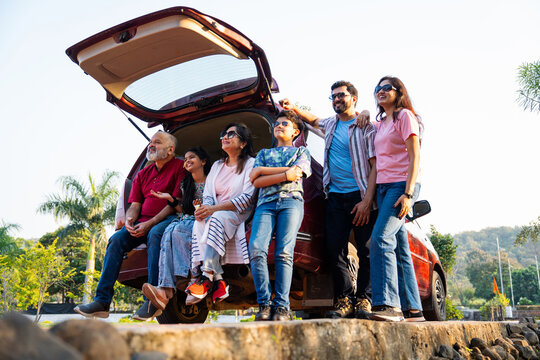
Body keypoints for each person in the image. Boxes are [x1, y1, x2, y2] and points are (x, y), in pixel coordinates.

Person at [281, 80, 377, 319]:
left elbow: (376, 167)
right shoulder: (331, 125)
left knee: (366, 251)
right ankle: (345, 299)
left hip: (360, 197)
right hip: (334, 196)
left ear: (353, 98)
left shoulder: (366, 126)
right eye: (333, 96)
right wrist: (293, 107)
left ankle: (365, 300)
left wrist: (366, 201)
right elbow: (313, 121)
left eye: (341, 95)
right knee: (335, 250)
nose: (336, 99)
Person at [74, 131, 185, 320]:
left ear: (170, 150)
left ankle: (151, 301)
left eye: (157, 143)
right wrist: (130, 220)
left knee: (155, 233)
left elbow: (174, 204)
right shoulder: (143, 173)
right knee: (116, 240)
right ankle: (102, 302)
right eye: (151, 142)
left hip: (169, 219)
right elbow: (135, 205)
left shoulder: (180, 166)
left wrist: (149, 223)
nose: (151, 145)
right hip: (143, 221)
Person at [368, 76, 425, 322]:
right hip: (382, 188)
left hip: (401, 186)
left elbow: (415, 156)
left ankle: (389, 305)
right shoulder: (380, 124)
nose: (380, 92)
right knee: (400, 247)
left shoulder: (404, 117)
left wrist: (409, 193)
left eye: (386, 88)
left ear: (398, 91)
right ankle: (414, 309)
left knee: (380, 239)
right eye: (377, 89)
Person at [248, 110, 311, 321]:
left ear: (295, 132)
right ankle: (264, 304)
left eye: (284, 123)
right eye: (277, 123)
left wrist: (264, 172)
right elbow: (254, 181)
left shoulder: (302, 152)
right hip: (264, 204)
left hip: (291, 203)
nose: (279, 125)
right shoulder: (264, 153)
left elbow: (298, 173)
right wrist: (285, 174)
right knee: (256, 249)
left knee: (284, 253)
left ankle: (283, 307)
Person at [185, 123, 256, 303]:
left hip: (238, 212)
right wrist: (203, 210)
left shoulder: (251, 164)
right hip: (216, 211)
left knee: (215, 218)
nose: (225, 137)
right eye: (224, 134)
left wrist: (213, 209)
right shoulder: (217, 165)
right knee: (199, 222)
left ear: (243, 143)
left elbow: (247, 199)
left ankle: (206, 275)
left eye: (231, 134)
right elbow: (208, 195)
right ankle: (218, 281)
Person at [141, 147, 211, 311]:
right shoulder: (185, 184)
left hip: (205, 219)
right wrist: (171, 200)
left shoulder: (212, 181)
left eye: (191, 157)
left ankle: (182, 278)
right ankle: (165, 289)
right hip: (187, 218)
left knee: (179, 230)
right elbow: (183, 210)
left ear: (203, 161)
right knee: (168, 232)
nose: (187, 161)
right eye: (185, 158)